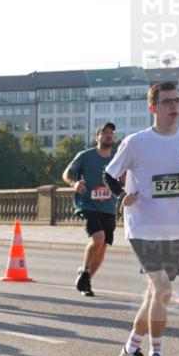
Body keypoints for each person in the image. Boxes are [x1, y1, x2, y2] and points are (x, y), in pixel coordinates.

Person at [105, 82, 179, 356]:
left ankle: (130, 348)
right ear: (153, 107)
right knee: (164, 290)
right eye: (167, 101)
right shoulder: (136, 142)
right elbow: (109, 174)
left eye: (177, 100)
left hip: (172, 226)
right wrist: (122, 197)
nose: (174, 106)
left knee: (154, 295)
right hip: (142, 226)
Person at [63, 123, 118, 297]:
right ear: (97, 137)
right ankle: (86, 270)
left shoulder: (117, 158)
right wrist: (75, 183)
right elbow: (67, 174)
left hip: (109, 207)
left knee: (103, 247)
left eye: (111, 133)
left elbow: (126, 176)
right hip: (88, 205)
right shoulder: (85, 156)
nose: (108, 135)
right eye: (104, 133)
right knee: (98, 238)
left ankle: (86, 280)